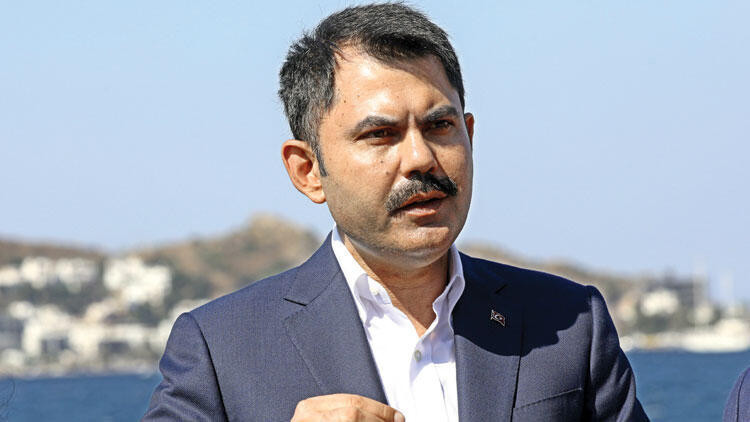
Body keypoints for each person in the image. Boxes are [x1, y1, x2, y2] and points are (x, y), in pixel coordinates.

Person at [143, 3, 648, 421]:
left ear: (470, 135)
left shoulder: (568, 323)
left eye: (440, 126)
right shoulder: (221, 349)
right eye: (380, 134)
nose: (421, 158)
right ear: (308, 171)